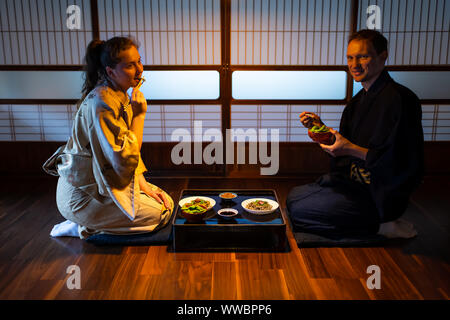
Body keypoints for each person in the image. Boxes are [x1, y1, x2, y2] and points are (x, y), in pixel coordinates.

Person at [287, 29, 424, 239]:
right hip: (353, 184)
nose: (354, 64)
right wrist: (320, 129)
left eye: (363, 56)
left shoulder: (402, 99)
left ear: (383, 56)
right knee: (293, 198)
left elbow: (402, 160)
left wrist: (349, 148)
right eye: (350, 57)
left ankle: (381, 226)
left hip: (379, 194)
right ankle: (369, 220)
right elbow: (343, 146)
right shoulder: (359, 101)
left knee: (300, 212)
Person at [43, 36, 173, 239]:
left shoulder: (117, 94)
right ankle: (82, 226)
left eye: (139, 61)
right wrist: (139, 115)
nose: (139, 69)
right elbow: (124, 159)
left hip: (102, 184)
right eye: (130, 65)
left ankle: (93, 220)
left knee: (165, 201)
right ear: (110, 71)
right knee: (159, 215)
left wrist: (144, 186)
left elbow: (127, 152)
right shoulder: (102, 103)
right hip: (82, 196)